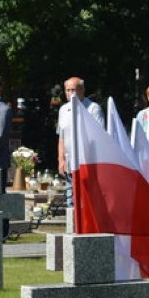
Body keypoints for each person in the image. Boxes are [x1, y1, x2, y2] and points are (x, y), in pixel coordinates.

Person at [56, 76, 104, 206]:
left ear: (82, 90)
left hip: (87, 164)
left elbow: (99, 138)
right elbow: (61, 137)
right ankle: (73, 226)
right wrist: (61, 160)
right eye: (68, 90)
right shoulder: (63, 110)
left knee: (88, 203)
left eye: (73, 90)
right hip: (69, 164)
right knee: (71, 203)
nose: (70, 93)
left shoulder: (93, 109)